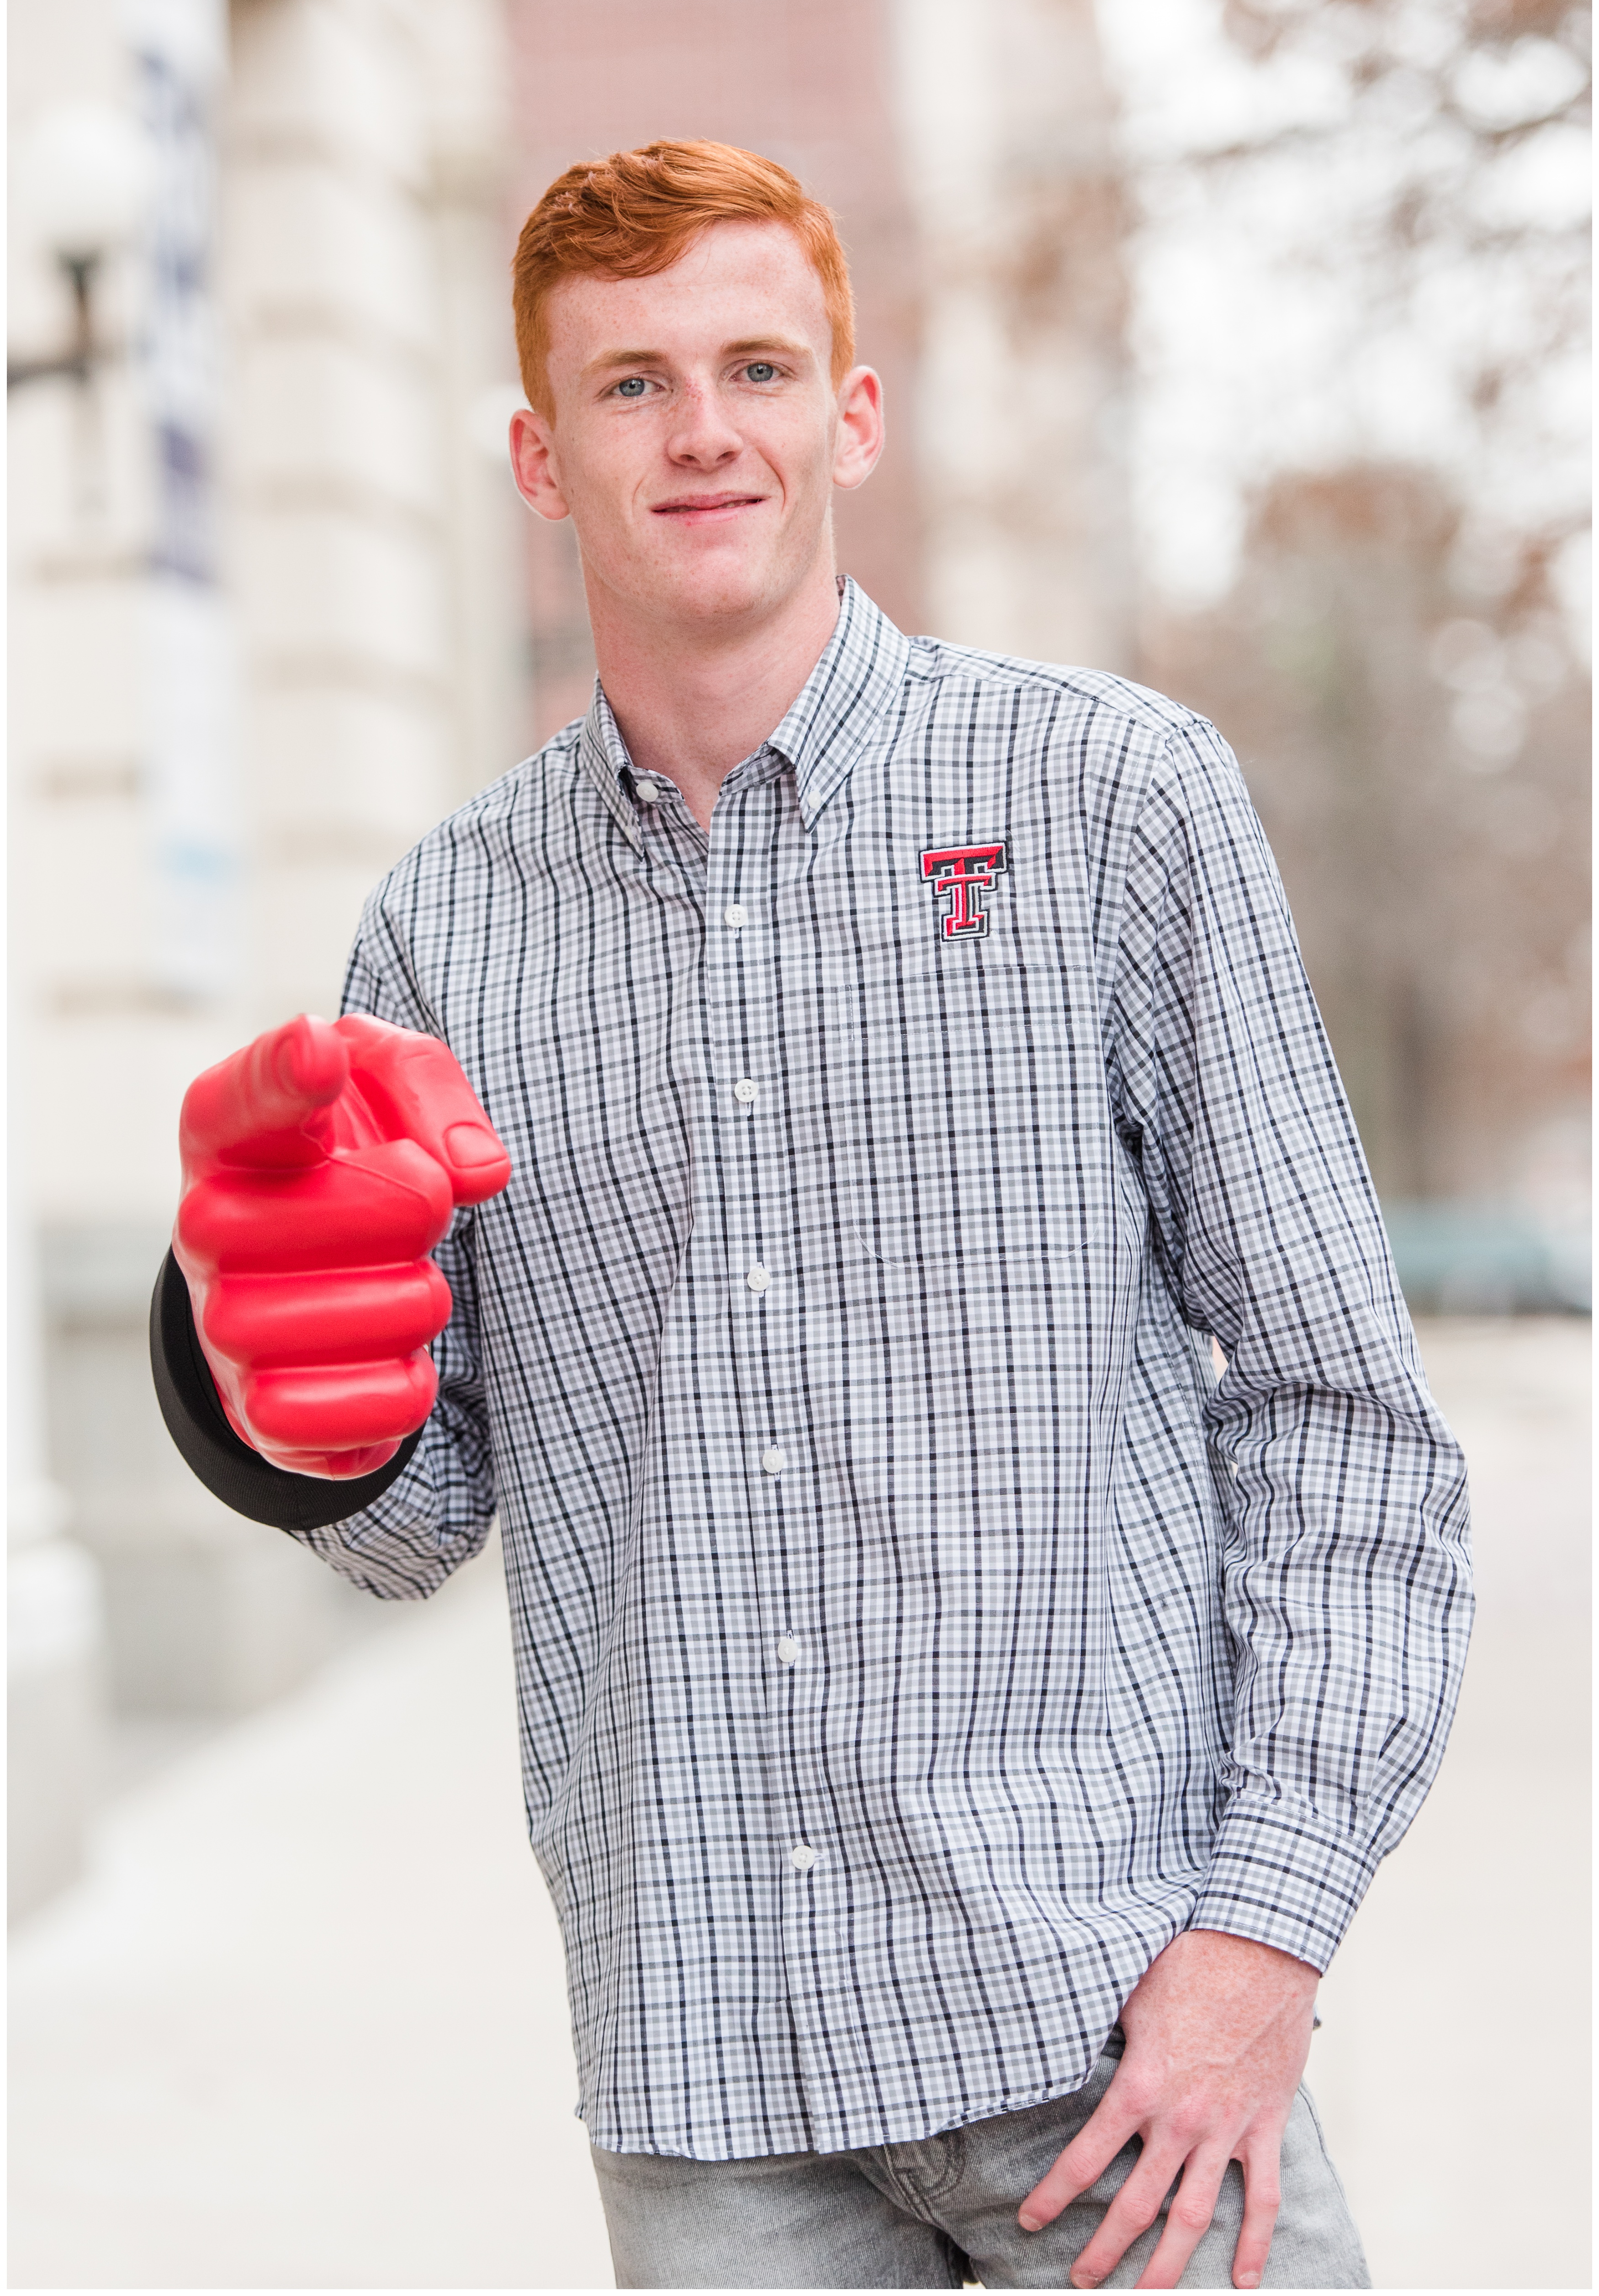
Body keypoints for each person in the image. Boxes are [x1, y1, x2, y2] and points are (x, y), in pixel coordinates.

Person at [151, 140, 1472, 2291]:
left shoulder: (1110, 804)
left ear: (849, 415)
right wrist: (236, 1348)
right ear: (533, 455)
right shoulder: (448, 927)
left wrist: (1263, 1936)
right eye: (628, 385)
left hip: (1106, 2042)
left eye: (756, 365)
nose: (701, 431)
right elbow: (412, 1519)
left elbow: (1337, 1411)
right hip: (708, 2090)